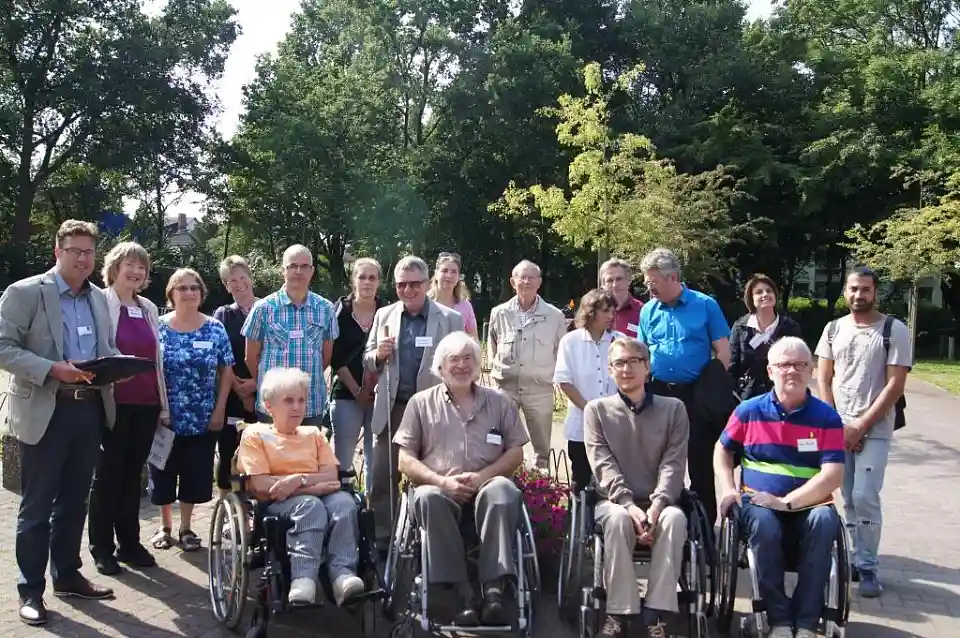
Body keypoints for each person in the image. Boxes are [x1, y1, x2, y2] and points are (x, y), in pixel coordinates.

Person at [0, 220, 117, 625]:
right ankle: (30, 591)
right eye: (75, 251)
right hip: (45, 409)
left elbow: (105, 347)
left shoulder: (99, 298)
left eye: (89, 252)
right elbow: (3, 346)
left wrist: (115, 366)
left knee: (73, 501)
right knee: (36, 507)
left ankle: (66, 575)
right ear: (58, 251)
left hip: (88, 410)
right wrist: (52, 368)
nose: (84, 259)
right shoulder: (26, 292)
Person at [394, 332, 529, 626]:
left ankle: (494, 590)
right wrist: (442, 483)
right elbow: (405, 460)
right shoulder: (420, 404)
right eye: (453, 359)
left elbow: (516, 452)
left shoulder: (499, 401)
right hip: (440, 488)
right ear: (440, 367)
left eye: (468, 358)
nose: (461, 365)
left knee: (503, 491)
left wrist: (482, 477)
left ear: (478, 365)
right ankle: (461, 593)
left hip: (487, 483)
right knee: (427, 497)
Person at [715, 337, 845, 638]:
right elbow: (722, 450)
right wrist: (727, 489)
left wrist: (786, 502)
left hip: (810, 505)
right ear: (770, 371)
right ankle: (779, 620)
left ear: (811, 369)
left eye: (800, 364)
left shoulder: (826, 417)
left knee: (826, 521)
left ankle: (808, 622)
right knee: (763, 522)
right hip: (757, 503)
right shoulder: (748, 411)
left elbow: (833, 474)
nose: (792, 371)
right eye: (784, 365)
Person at [815, 265, 911, 598]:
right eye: (853, 289)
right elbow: (823, 378)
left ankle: (868, 567)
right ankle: (855, 558)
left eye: (866, 289)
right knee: (847, 498)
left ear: (875, 292)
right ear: (846, 291)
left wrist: (859, 426)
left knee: (865, 497)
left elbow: (895, 385)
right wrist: (835, 422)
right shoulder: (832, 329)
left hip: (875, 428)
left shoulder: (893, 329)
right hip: (838, 428)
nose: (859, 295)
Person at [584, 338, 689, 638]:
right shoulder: (597, 411)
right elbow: (602, 465)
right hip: (615, 502)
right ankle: (619, 611)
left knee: (675, 520)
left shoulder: (674, 409)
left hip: (661, 501)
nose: (626, 369)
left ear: (647, 367)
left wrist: (656, 507)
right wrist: (629, 506)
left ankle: (657, 612)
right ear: (610, 370)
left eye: (633, 362)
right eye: (619, 363)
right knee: (617, 521)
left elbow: (674, 463)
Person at [236, 367, 366, 606]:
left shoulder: (313, 434)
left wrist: (296, 481)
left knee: (345, 503)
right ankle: (303, 579)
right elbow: (262, 485)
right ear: (268, 405)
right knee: (311, 506)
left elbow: (331, 474)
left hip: (307, 494)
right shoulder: (255, 434)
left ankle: (342, 575)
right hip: (276, 505)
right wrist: (317, 485)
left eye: (301, 400)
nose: (297, 407)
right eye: (288, 401)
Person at [363, 255, 465, 545]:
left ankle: (429, 537)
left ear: (427, 283)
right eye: (401, 285)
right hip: (392, 409)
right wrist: (378, 355)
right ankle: (384, 538)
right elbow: (368, 361)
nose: (408, 290)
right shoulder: (384, 315)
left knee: (433, 474)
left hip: (435, 410)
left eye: (414, 284)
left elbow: (462, 366)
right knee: (383, 477)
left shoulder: (450, 319)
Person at [89, 241, 169, 575]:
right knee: (108, 476)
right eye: (130, 265)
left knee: (132, 476)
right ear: (114, 267)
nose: (136, 272)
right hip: (113, 404)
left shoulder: (149, 307)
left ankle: (129, 544)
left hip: (146, 403)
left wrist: (163, 403)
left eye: (142, 267)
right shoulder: (99, 302)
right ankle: (101, 548)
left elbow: (157, 359)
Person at [636, 247, 730, 524]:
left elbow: (723, 353)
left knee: (700, 464)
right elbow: (643, 352)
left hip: (695, 395)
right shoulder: (648, 311)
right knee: (657, 463)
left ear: (672, 276)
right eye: (646, 281)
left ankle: (704, 531)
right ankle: (660, 523)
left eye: (652, 282)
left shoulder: (705, 305)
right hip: (659, 394)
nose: (648, 287)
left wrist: (712, 389)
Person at [150, 269, 234, 552]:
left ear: (201, 293)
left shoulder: (214, 328)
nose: (188, 293)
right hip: (164, 416)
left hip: (202, 416)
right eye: (181, 288)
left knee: (193, 473)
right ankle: (165, 527)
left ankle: (186, 528)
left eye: (193, 288)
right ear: (171, 294)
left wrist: (220, 408)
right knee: (162, 473)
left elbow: (226, 371)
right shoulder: (156, 326)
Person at [243, 244, 338, 425]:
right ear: (283, 270)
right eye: (292, 266)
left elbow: (326, 357)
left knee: (308, 454)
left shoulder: (326, 309)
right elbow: (251, 357)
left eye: (304, 266)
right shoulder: (263, 308)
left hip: (311, 405)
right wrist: (270, 386)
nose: (298, 271)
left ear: (312, 271)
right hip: (273, 407)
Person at [487, 260, 566, 469]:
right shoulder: (499, 313)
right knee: (500, 442)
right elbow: (492, 347)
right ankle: (505, 481)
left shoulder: (555, 316)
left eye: (532, 277)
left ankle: (541, 489)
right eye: (522, 277)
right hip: (505, 388)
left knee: (542, 447)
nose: (527, 281)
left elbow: (560, 351)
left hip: (539, 389)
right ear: (513, 282)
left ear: (539, 282)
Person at [553, 289, 621, 489]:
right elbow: (564, 381)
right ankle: (579, 517)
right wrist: (590, 409)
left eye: (613, 311)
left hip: (615, 423)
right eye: (605, 310)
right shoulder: (571, 341)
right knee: (581, 479)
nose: (611, 316)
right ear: (590, 312)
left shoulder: (620, 341)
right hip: (580, 425)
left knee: (612, 479)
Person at [330, 257, 386, 480]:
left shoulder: (388, 310)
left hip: (379, 396)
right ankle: (345, 507)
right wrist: (357, 391)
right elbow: (335, 356)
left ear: (379, 282)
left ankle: (372, 511)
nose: (367, 282)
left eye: (372, 277)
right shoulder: (340, 311)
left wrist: (372, 391)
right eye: (362, 277)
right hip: (346, 393)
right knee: (343, 462)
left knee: (377, 462)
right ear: (354, 280)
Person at [213, 255, 259, 497]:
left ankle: (254, 507)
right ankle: (225, 507)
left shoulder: (267, 309)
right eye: (232, 280)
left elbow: (274, 352)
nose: (239, 284)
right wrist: (239, 390)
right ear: (225, 285)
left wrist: (255, 386)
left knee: (258, 454)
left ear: (250, 278)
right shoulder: (222, 315)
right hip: (230, 395)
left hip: (264, 394)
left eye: (243, 277)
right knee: (229, 451)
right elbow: (221, 358)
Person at [729, 274, 803, 400]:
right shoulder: (740, 327)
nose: (765, 294)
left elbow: (799, 364)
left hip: (782, 397)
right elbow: (732, 365)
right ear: (751, 299)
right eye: (758, 292)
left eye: (769, 291)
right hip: (747, 398)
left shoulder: (790, 328)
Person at [427, 251, 479, 340]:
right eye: (444, 270)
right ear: (436, 274)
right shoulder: (424, 304)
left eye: (454, 272)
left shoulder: (466, 307)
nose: (449, 275)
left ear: (459, 276)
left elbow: (474, 340)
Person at [598, 258, 643, 338]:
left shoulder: (642, 311)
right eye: (610, 280)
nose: (615, 285)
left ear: (629, 280)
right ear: (603, 285)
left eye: (619, 279)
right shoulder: (595, 311)